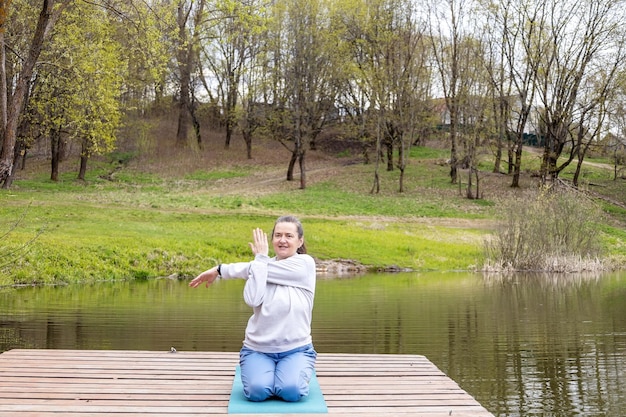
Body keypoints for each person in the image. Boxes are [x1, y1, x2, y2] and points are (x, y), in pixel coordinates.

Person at [189, 215, 317, 402]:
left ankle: (287, 374)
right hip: (258, 349)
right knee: (257, 392)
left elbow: (254, 268)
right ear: (272, 239)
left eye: (289, 236)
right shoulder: (259, 268)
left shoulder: (305, 264)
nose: (282, 240)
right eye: (278, 235)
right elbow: (252, 299)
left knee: (291, 391)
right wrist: (258, 263)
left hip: (296, 348)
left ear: (300, 241)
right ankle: (266, 373)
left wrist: (221, 269)